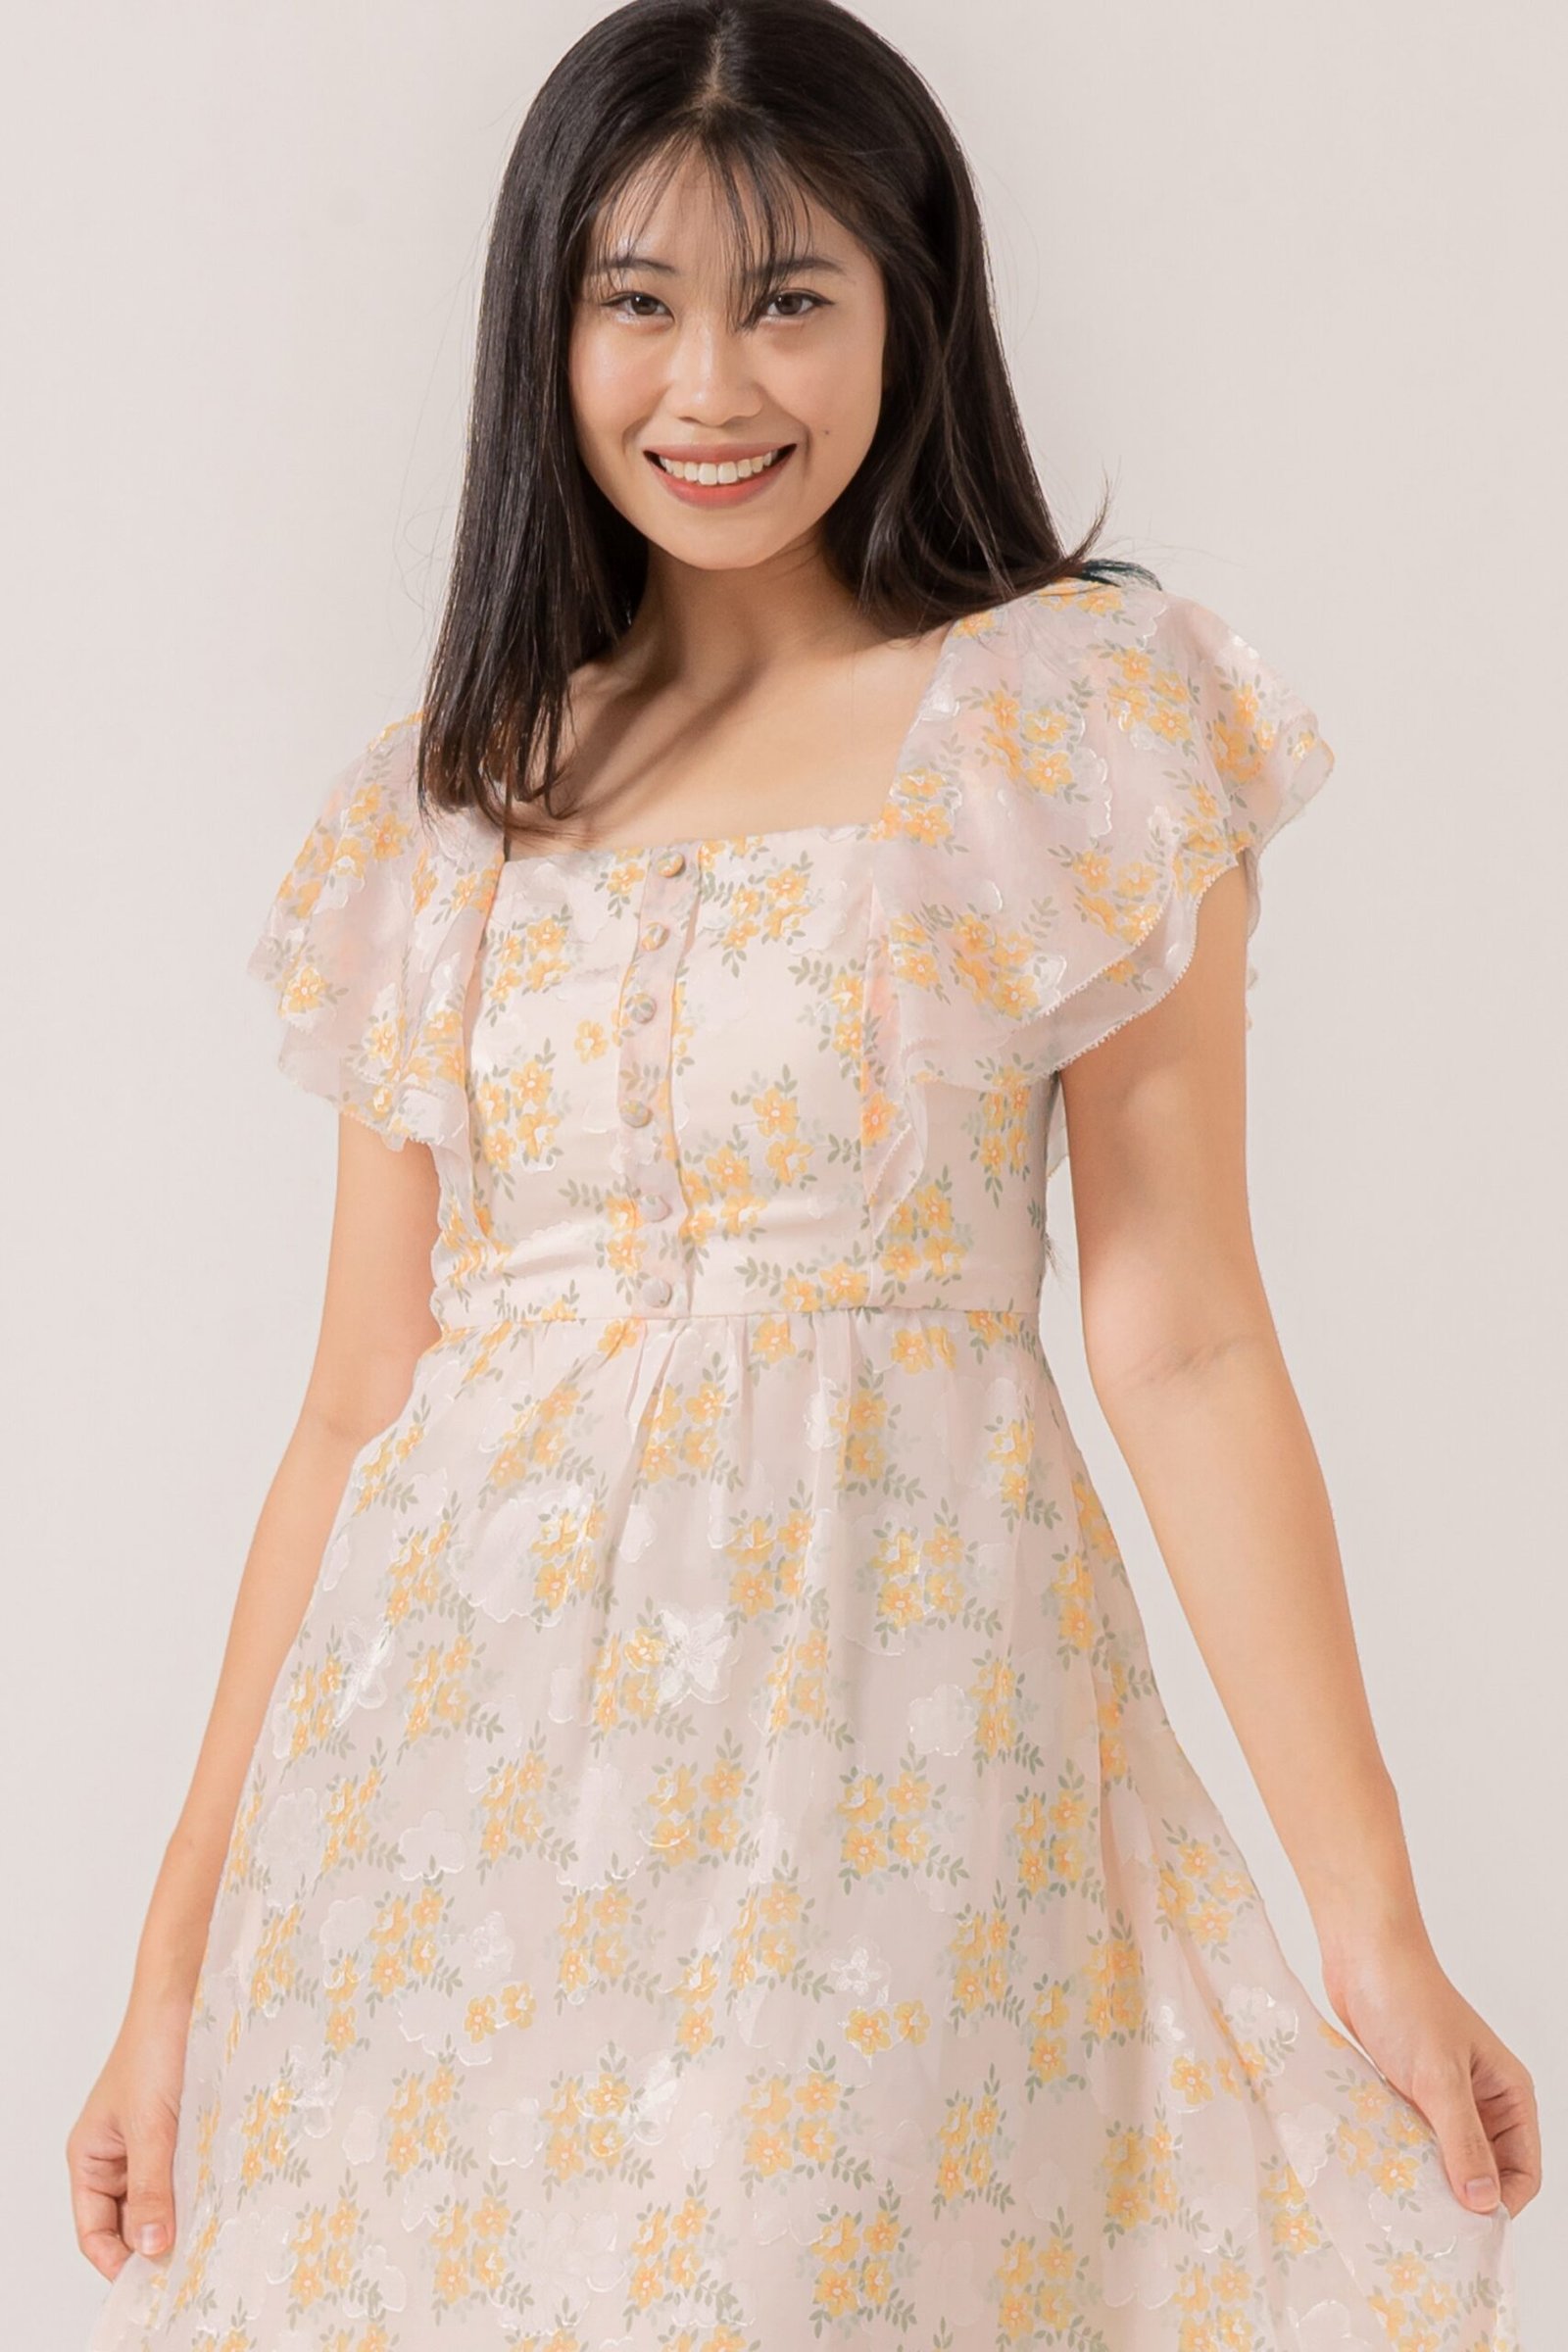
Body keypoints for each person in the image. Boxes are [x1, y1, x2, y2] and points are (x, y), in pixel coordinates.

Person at [71, 2, 1540, 2344]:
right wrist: (171, 1968)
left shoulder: (1062, 722)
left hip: (884, 1757)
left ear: (904, 305)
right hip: (440, 1815)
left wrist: (1368, 1924)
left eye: (785, 297)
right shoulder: (442, 809)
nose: (708, 384)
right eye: (635, 299)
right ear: (545, 328)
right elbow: (357, 1402)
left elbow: (1178, 1335)